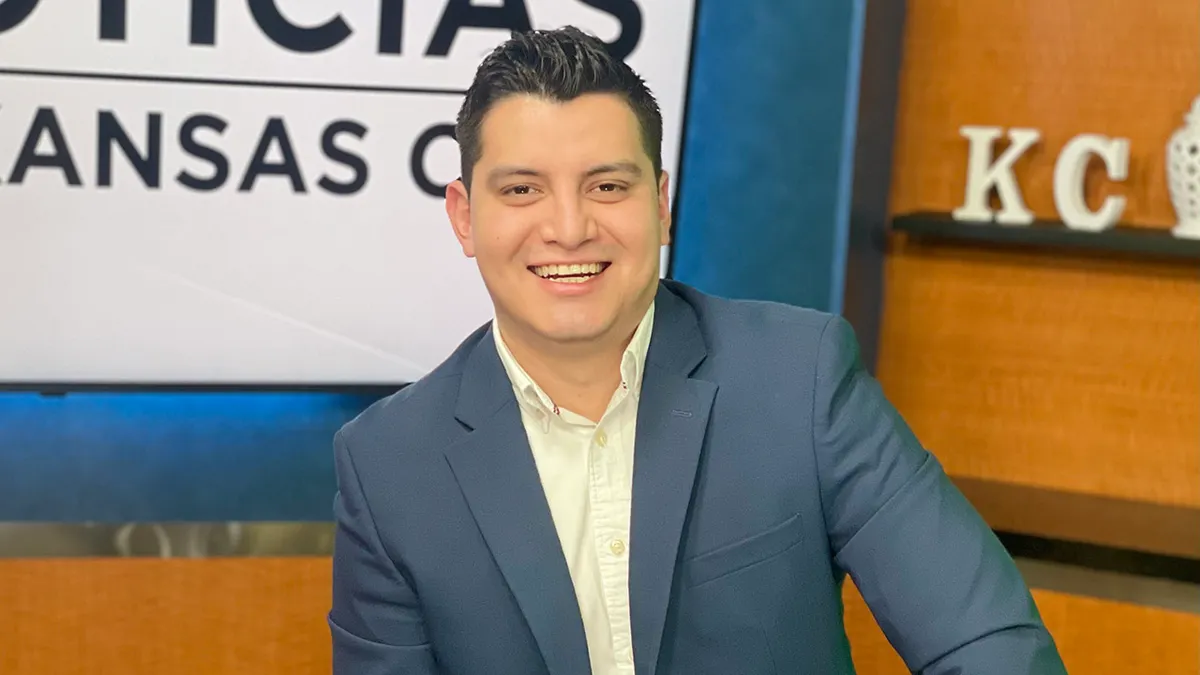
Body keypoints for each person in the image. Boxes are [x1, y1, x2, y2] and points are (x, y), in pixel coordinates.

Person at [327, 26, 1067, 675]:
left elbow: (987, 639)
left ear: (661, 204)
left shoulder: (801, 380)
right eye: (522, 190)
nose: (569, 228)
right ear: (464, 216)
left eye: (606, 186)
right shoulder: (388, 466)